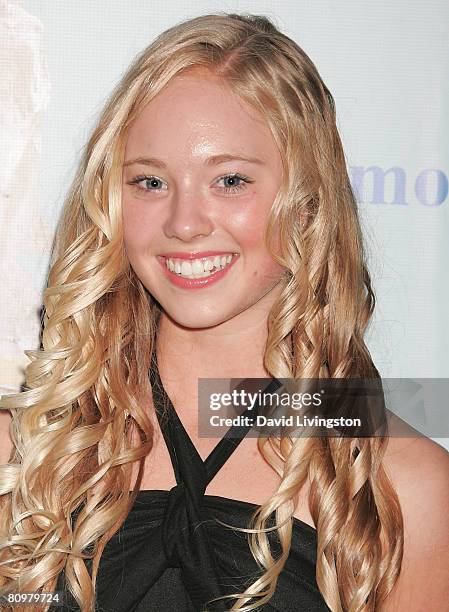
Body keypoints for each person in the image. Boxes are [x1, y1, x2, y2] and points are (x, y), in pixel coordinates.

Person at [0, 11, 448, 612]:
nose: (184, 223)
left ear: (309, 199)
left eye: (231, 180)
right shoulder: (27, 456)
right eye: (150, 182)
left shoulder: (396, 483)